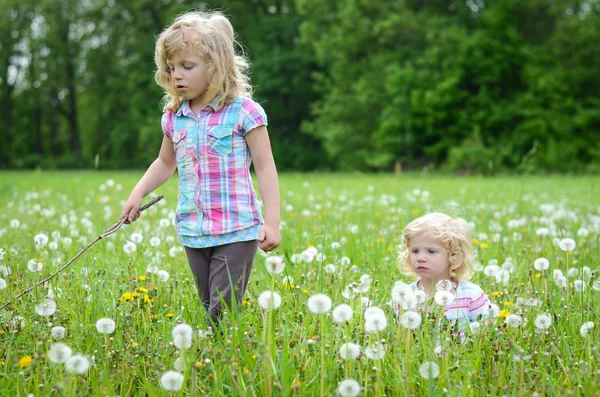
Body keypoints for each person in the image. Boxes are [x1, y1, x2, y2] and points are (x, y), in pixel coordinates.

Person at [120, 11, 281, 327]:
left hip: (237, 228)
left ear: (215, 66)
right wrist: (137, 193)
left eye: (186, 66)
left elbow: (265, 167)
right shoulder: (174, 116)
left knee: (221, 310)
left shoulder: (243, 112)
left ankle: (222, 361)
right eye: (171, 68)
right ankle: (219, 354)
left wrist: (272, 222)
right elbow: (165, 163)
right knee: (210, 303)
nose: (176, 75)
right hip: (193, 229)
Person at [398, 213, 489, 329]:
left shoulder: (471, 295)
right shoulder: (404, 296)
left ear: (453, 255)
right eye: (415, 251)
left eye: (431, 251)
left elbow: (487, 330)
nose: (420, 258)